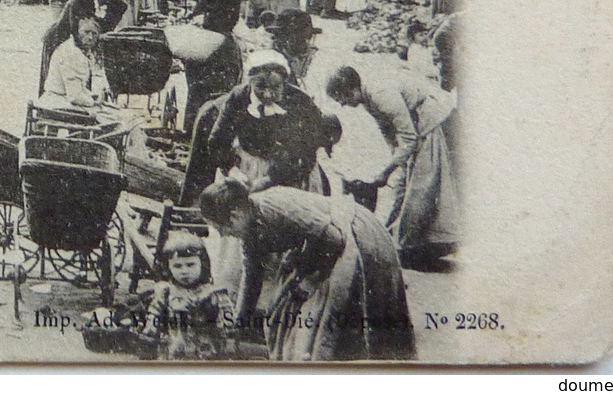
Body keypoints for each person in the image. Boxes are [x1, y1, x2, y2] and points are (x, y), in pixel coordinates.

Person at [198, 180, 415, 361]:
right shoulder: (249, 230)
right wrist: (239, 320)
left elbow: (335, 240)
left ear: (235, 215)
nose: (224, 235)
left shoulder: (277, 207)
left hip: (350, 233)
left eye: (222, 229)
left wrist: (309, 281)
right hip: (320, 242)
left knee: (333, 299)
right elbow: (252, 274)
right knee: (286, 302)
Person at [325, 65, 459, 267]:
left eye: (341, 98)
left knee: (422, 187)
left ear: (351, 89)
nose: (343, 104)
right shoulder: (368, 99)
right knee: (404, 183)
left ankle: (414, 247)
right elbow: (389, 133)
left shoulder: (380, 94)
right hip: (416, 127)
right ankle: (400, 240)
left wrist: (387, 171)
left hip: (433, 120)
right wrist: (393, 164)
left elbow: (408, 137)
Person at [181, 49, 332, 206]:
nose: (267, 94)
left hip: (288, 171)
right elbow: (218, 141)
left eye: (275, 87)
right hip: (247, 169)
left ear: (285, 82)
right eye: (260, 86)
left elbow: (306, 151)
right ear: (250, 82)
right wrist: (232, 170)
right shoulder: (238, 98)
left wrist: (271, 179)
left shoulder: (300, 103)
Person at [143, 234, 230, 359]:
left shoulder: (214, 293)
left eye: (190, 265)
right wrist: (151, 330)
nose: (184, 271)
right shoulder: (166, 292)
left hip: (207, 353)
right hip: (175, 351)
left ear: (203, 264)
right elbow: (154, 314)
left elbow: (228, 319)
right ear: (168, 267)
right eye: (177, 266)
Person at [182, 0, 244, 131]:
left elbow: (224, 21)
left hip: (215, 43)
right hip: (214, 40)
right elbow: (199, 9)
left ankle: (197, 126)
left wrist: (200, 21)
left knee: (203, 85)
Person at [39, 13, 111, 111]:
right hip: (57, 104)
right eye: (86, 32)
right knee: (111, 118)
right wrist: (93, 102)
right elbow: (74, 96)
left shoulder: (75, 48)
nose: (90, 37)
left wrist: (92, 96)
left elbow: (77, 87)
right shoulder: (72, 53)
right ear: (77, 32)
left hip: (58, 100)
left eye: (94, 34)